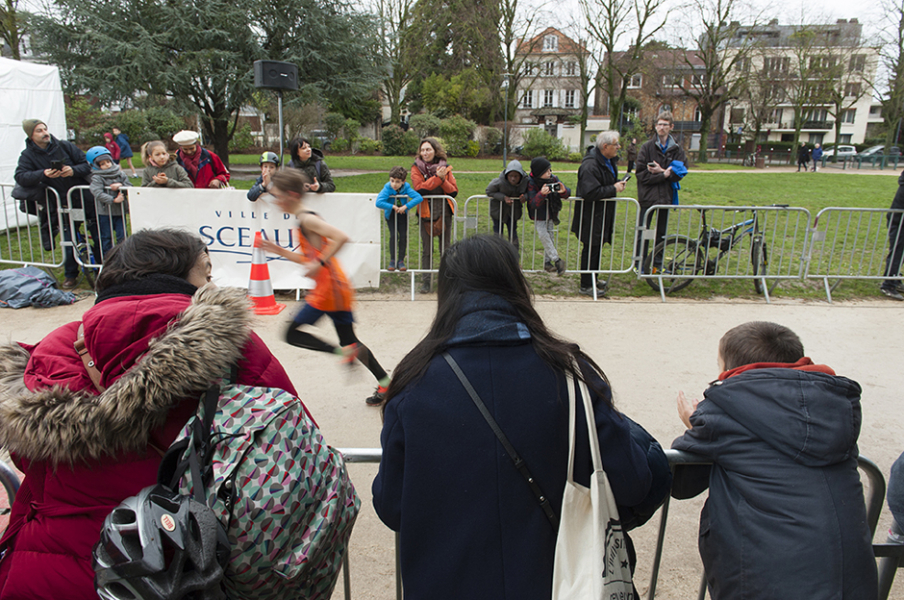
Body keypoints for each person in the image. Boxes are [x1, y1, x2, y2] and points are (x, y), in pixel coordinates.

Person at [0, 228, 298, 600]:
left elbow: (27, 455)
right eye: (205, 272)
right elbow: (291, 442)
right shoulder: (231, 349)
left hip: (53, 566)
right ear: (177, 278)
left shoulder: (57, 346)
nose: (211, 282)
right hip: (182, 562)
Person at [372, 234, 671, 600]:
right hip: (556, 582)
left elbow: (391, 507)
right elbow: (632, 482)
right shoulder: (571, 375)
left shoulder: (413, 383)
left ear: (446, 292)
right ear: (515, 284)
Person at [671, 321, 877, 600]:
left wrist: (696, 427)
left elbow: (679, 482)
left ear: (730, 370)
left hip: (768, 581)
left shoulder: (724, 410)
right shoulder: (836, 405)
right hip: (850, 580)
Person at [257, 169, 392, 406]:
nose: (276, 201)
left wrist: (318, 263)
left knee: (291, 334)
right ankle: (385, 383)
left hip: (329, 291)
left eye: (277, 196)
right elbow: (310, 260)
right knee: (350, 341)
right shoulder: (303, 219)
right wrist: (279, 251)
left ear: (291, 194)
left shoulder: (308, 219)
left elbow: (341, 237)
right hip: (335, 288)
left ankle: (346, 355)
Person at [14, 118, 100, 289]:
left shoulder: (65, 146)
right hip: (60, 204)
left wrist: (72, 170)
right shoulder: (27, 156)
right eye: (39, 130)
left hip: (84, 198)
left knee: (98, 236)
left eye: (45, 129)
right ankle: (70, 275)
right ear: (31, 135)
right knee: (68, 240)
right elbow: (21, 176)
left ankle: (102, 270)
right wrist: (43, 174)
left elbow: (88, 165)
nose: (45, 133)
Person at [573, 131, 627, 297]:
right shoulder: (591, 165)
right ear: (605, 147)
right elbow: (589, 192)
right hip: (591, 216)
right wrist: (614, 188)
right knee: (590, 249)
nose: (618, 147)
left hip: (601, 215)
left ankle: (593, 278)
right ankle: (586, 284)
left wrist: (614, 185)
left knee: (597, 248)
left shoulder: (607, 161)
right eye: (616, 144)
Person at [635, 112, 687, 271]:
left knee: (661, 234)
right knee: (645, 232)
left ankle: (657, 264)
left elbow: (680, 173)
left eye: (665, 124)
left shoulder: (676, 149)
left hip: (665, 198)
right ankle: (640, 264)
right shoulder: (647, 147)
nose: (661, 127)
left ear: (671, 127)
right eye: (659, 124)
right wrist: (663, 175)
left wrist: (663, 171)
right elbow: (641, 174)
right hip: (648, 198)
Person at [411, 137, 458, 293]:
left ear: (435, 150)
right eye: (423, 150)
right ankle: (426, 282)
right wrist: (438, 178)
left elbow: (453, 191)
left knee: (446, 249)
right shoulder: (416, 168)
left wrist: (443, 179)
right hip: (425, 213)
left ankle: (446, 282)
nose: (425, 153)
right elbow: (419, 189)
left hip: (444, 213)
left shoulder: (445, 167)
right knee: (426, 250)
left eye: (428, 149)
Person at [526, 156, 570, 276]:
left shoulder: (554, 178)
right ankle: (557, 260)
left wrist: (563, 191)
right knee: (543, 235)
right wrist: (541, 194)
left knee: (550, 236)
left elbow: (567, 192)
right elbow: (533, 203)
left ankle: (547, 262)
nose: (550, 173)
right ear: (539, 173)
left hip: (551, 212)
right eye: (547, 171)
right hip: (539, 214)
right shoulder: (531, 182)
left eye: (550, 170)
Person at [375, 166, 423, 272]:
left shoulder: (406, 188)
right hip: (391, 214)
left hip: (402, 215)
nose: (394, 184)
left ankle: (401, 260)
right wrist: (392, 206)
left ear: (403, 181)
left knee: (403, 236)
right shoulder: (387, 188)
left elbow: (419, 197)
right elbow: (378, 202)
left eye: (397, 182)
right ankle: (392, 260)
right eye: (392, 181)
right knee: (393, 235)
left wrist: (406, 206)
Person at [87, 145, 130, 256]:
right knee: (106, 237)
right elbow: (97, 192)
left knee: (122, 236)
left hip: (119, 212)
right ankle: (108, 258)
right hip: (105, 213)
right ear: (96, 165)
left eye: (108, 162)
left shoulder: (120, 173)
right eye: (102, 164)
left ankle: (124, 257)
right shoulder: (97, 177)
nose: (106, 165)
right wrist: (113, 200)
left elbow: (129, 186)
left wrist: (121, 185)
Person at [485, 159, 528, 250]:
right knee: (498, 234)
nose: (513, 178)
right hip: (498, 211)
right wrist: (503, 197)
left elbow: (530, 192)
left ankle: (515, 257)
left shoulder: (525, 182)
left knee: (513, 234)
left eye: (516, 176)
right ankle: (497, 255)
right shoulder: (499, 182)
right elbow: (489, 191)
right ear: (506, 175)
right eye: (511, 176)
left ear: (520, 176)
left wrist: (525, 196)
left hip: (513, 212)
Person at [881, 170, 904, 300]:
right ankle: (888, 284)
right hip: (900, 221)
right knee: (897, 253)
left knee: (900, 254)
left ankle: (896, 279)